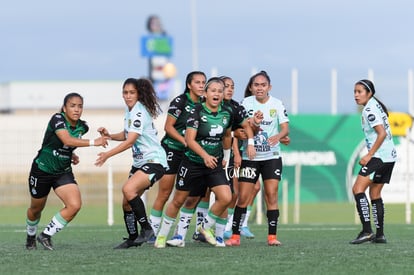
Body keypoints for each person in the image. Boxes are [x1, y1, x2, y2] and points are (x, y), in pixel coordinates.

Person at [165, 75, 256, 247]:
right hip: (197, 161)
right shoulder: (200, 109)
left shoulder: (233, 109)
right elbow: (191, 137)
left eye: (229, 87)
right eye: (222, 87)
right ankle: (179, 235)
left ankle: (217, 234)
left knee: (227, 197)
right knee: (193, 198)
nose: (227, 90)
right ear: (207, 93)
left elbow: (235, 133)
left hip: (220, 161)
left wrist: (230, 156)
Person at [154, 77, 236, 248]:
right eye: (213, 90)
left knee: (226, 197)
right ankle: (161, 236)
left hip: (214, 164)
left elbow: (227, 136)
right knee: (179, 200)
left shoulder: (227, 112)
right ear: (206, 93)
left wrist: (226, 158)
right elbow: (189, 140)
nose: (217, 94)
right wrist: (205, 156)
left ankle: (204, 228)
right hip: (192, 162)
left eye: (220, 91)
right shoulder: (196, 111)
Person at [25, 93, 109, 250]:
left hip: (62, 171)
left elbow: (67, 145)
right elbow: (66, 140)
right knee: (36, 209)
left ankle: (45, 236)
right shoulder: (57, 119)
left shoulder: (83, 127)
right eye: (72, 106)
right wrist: (94, 142)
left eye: (80, 106)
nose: (77, 109)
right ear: (64, 108)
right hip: (42, 169)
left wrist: (71, 154)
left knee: (74, 205)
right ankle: (30, 236)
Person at [95, 78, 168, 249]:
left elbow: (130, 141)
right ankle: (133, 238)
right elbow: (127, 134)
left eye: (131, 93)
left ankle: (147, 229)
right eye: (125, 92)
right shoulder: (130, 111)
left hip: (154, 161)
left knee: (128, 189)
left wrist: (107, 154)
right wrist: (110, 135)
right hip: (140, 163)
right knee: (127, 201)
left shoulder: (139, 112)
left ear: (139, 94)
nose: (127, 96)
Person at [226, 70, 289, 247]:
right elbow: (238, 131)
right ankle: (235, 236)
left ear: (269, 87)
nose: (259, 88)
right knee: (243, 196)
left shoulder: (277, 104)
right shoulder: (245, 103)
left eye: (263, 85)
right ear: (251, 87)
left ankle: (272, 237)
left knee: (271, 195)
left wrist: (279, 136)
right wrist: (253, 123)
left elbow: (285, 128)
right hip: (250, 157)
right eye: (256, 85)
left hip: (272, 157)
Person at [148, 71, 206, 238]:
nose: (201, 85)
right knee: (165, 192)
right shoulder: (180, 101)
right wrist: (185, 141)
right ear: (189, 85)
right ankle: (152, 232)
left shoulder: (204, 104)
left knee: (188, 195)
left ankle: (179, 234)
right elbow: (168, 127)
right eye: (198, 82)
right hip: (172, 149)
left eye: (203, 82)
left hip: (191, 153)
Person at [349, 79, 396, 244]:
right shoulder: (375, 105)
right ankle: (380, 234)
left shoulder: (370, 108)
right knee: (375, 194)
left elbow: (381, 133)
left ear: (369, 93)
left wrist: (369, 155)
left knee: (357, 189)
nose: (356, 95)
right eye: (354, 91)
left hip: (380, 157)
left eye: (359, 91)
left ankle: (367, 231)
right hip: (389, 156)